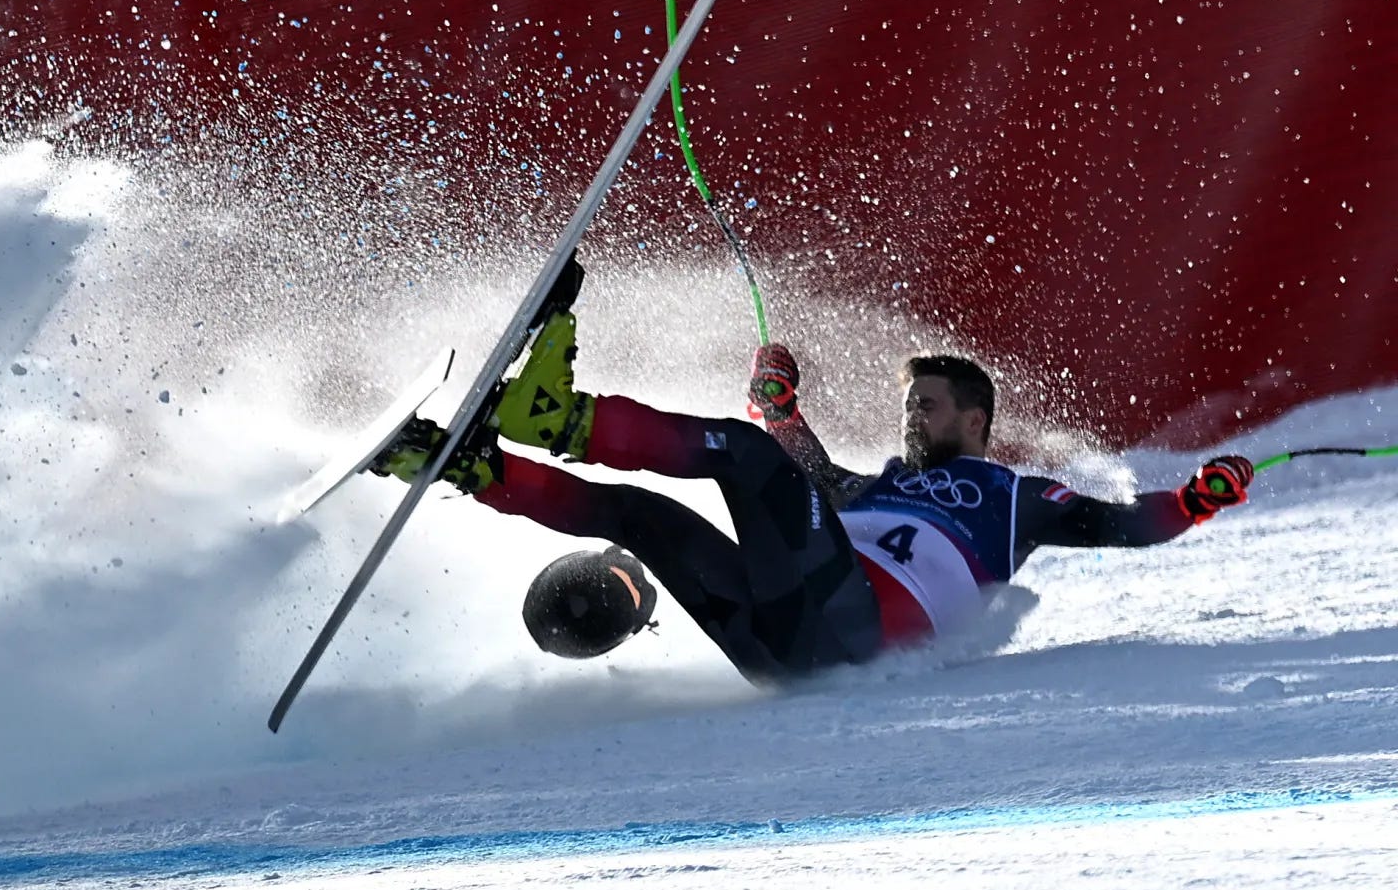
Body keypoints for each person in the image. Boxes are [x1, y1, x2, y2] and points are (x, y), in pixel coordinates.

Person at [370, 300, 1256, 684]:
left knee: (745, 458)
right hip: (779, 649)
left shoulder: (1010, 496)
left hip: (848, 628)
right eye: (909, 403)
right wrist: (782, 411)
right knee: (644, 517)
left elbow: (1127, 526)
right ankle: (469, 469)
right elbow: (818, 483)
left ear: (976, 417)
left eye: (928, 404)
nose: (912, 416)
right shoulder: (883, 486)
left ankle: (561, 417)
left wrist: (1195, 500)